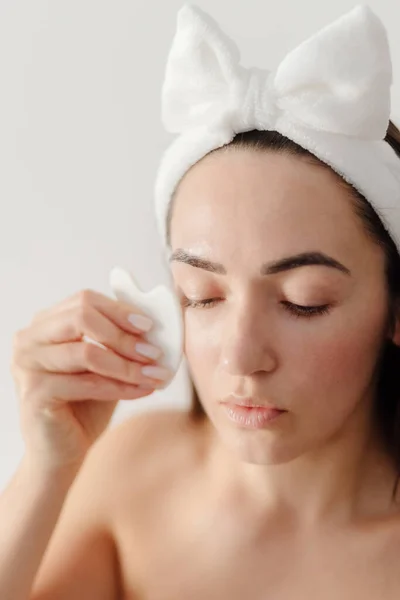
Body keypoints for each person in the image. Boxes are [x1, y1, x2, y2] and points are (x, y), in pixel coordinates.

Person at [2, 4, 400, 599]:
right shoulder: (129, 475)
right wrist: (47, 469)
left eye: (303, 301)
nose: (241, 357)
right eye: (203, 296)